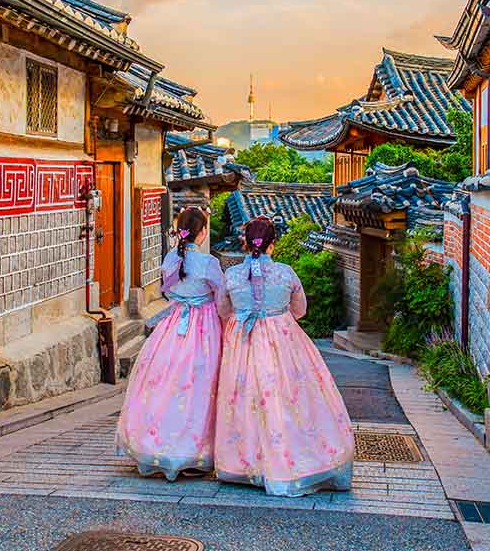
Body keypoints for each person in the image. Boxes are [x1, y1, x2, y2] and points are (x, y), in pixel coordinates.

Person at [214, 216, 354, 497]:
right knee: (289, 398)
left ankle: (244, 464)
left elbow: (222, 310)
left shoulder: (231, 276)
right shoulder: (286, 273)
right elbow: (300, 309)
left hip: (243, 341)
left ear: (244, 242)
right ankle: (292, 460)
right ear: (273, 244)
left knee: (244, 397)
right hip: (283, 340)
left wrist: (245, 314)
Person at [115, 206, 225, 480]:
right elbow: (221, 298)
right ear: (201, 232)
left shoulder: (169, 260)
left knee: (167, 383)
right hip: (203, 327)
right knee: (200, 384)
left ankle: (158, 443)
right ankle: (194, 451)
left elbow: (168, 292)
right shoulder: (208, 263)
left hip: (174, 325)